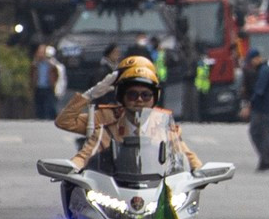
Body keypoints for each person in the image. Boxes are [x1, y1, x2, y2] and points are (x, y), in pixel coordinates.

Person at [56, 55, 201, 173]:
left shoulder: (164, 125)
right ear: (121, 96)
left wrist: (198, 170)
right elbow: (68, 128)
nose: (139, 100)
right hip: (112, 186)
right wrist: (90, 95)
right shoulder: (105, 124)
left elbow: (185, 154)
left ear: (154, 98)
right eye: (132, 95)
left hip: (155, 187)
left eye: (146, 95)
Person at [241, 48, 269, 171]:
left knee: (259, 133)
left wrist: (249, 106)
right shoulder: (261, 70)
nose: (251, 64)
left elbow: (259, 91)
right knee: (261, 133)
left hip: (264, 108)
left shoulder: (264, 71)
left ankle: (266, 160)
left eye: (252, 61)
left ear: (257, 58)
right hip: (263, 107)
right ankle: (265, 159)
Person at [31, 44, 60, 121]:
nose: (40, 55)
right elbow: (31, 75)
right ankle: (39, 118)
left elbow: (56, 75)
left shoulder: (51, 65)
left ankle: (48, 119)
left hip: (48, 87)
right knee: (39, 105)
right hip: (38, 87)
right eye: (39, 52)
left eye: (42, 52)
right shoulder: (35, 65)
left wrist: (53, 82)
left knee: (48, 105)